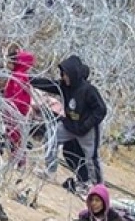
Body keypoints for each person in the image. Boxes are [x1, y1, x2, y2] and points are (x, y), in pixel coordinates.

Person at [31, 54, 107, 186]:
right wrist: (28, 79)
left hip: (87, 129)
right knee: (51, 137)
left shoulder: (89, 90)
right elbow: (48, 84)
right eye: (63, 74)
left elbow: (101, 110)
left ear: (73, 73)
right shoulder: (65, 87)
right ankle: (50, 172)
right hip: (70, 125)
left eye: (65, 74)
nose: (63, 77)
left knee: (91, 158)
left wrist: (86, 125)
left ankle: (98, 187)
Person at [2, 46, 34, 167]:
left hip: (16, 113)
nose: (7, 64)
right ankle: (17, 160)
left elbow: (18, 98)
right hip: (14, 112)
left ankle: (18, 161)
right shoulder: (17, 75)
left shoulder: (19, 77)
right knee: (14, 137)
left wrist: (12, 110)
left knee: (16, 137)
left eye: (9, 62)